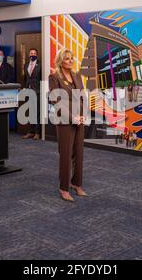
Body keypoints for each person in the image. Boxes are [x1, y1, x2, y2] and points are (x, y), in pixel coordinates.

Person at [49, 48, 87, 202]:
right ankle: (63, 188)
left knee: (79, 153)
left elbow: (82, 96)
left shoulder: (76, 75)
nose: (70, 61)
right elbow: (56, 101)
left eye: (72, 58)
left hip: (80, 119)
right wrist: (73, 117)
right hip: (65, 119)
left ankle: (76, 183)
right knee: (65, 154)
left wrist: (83, 115)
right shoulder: (54, 77)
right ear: (60, 61)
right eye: (67, 58)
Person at [23, 48, 42, 140]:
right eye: (31, 53)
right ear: (29, 54)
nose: (32, 54)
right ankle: (31, 132)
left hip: (37, 91)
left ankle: (37, 133)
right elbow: (26, 78)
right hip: (28, 90)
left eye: (34, 53)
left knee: (37, 112)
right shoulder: (26, 65)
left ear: (37, 55)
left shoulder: (40, 65)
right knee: (30, 112)